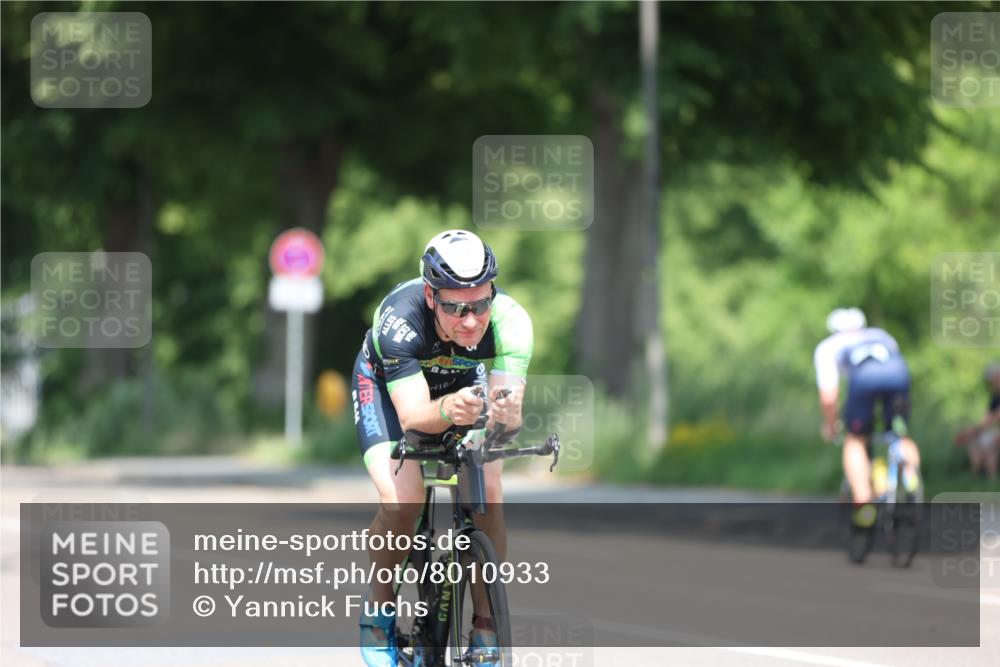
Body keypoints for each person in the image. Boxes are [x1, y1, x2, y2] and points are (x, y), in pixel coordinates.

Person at [352, 229, 532, 667]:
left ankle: (486, 628)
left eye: (480, 304)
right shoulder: (399, 318)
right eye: (455, 307)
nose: (471, 321)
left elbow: (510, 415)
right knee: (402, 500)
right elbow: (414, 416)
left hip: (463, 392)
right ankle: (379, 610)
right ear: (431, 296)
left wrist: (502, 416)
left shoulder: (512, 321)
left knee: (487, 493)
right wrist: (451, 408)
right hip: (391, 394)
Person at [814, 308, 922, 528]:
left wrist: (832, 424)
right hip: (899, 374)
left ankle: (864, 505)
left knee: (855, 440)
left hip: (863, 381)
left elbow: (828, 398)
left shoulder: (828, 347)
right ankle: (910, 475)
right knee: (899, 432)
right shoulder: (880, 335)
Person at [954, 362, 1000, 480]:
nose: (992, 383)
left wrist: (972, 431)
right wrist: (973, 432)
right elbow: (987, 419)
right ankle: (978, 478)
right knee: (974, 442)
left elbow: (995, 418)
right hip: (994, 430)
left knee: (988, 444)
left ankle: (990, 479)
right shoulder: (995, 398)